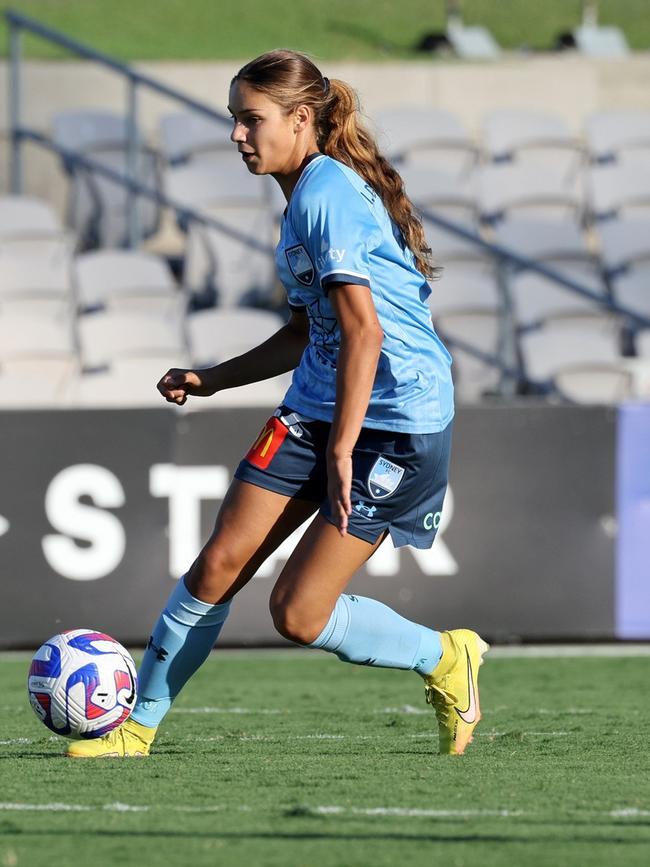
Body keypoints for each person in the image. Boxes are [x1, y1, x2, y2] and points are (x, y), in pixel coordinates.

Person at [67, 49, 488, 760]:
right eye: (234, 119)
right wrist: (213, 378)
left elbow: (365, 331)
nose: (236, 134)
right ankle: (135, 730)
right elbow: (307, 331)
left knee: (297, 613)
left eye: (249, 119)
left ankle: (446, 655)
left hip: (397, 423)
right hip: (320, 404)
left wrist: (341, 447)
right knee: (216, 566)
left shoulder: (325, 194)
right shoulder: (299, 197)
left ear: (300, 120)